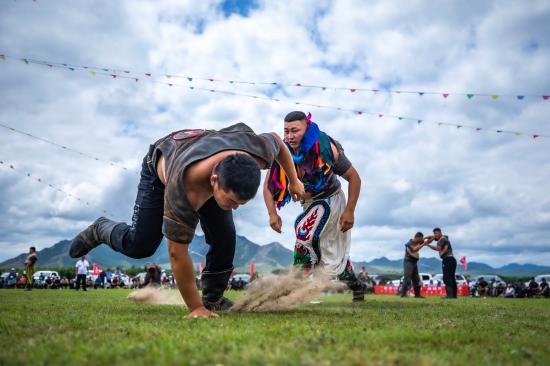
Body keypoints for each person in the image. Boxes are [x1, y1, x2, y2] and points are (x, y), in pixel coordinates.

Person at [69, 123, 305, 318]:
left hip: (203, 153)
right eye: (232, 201)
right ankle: (100, 229)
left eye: (240, 204)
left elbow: (277, 140)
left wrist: (293, 180)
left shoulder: (257, 150)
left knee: (225, 238)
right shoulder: (183, 189)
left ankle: (213, 298)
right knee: (141, 245)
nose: (235, 208)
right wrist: (195, 308)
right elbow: (176, 252)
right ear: (214, 181)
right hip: (163, 164)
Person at [263, 111, 364, 301]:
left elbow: (354, 178)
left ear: (306, 128)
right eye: (286, 131)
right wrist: (272, 214)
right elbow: (268, 187)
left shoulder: (325, 147)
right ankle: (356, 285)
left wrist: (350, 211)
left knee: (304, 235)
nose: (290, 136)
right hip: (308, 204)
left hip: (331, 199)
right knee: (329, 253)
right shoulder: (283, 152)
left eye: (295, 130)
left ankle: (293, 288)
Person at [425, 228, 457, 298]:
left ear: (440, 232)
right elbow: (432, 237)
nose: (435, 235)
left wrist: (427, 245)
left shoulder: (442, 239)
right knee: (451, 278)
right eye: (434, 233)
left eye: (436, 233)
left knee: (447, 278)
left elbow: (438, 248)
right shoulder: (445, 238)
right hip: (452, 259)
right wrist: (427, 237)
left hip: (447, 259)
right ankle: (453, 295)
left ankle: (449, 295)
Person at [400, 232, 426, 298]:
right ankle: (403, 294)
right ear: (417, 237)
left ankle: (417, 295)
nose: (421, 240)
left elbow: (429, 239)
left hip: (414, 263)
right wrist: (423, 244)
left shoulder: (418, 242)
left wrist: (431, 237)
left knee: (416, 279)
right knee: (407, 278)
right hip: (408, 262)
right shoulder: (409, 243)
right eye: (420, 239)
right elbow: (414, 249)